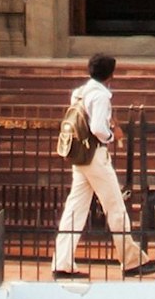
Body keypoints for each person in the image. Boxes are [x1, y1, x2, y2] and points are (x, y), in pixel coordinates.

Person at [49, 51, 146, 281]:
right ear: (111, 74)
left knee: (75, 208)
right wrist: (114, 135)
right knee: (115, 206)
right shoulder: (101, 95)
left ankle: (62, 262)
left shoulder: (80, 93)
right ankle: (131, 260)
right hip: (95, 156)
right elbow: (99, 130)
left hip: (80, 156)